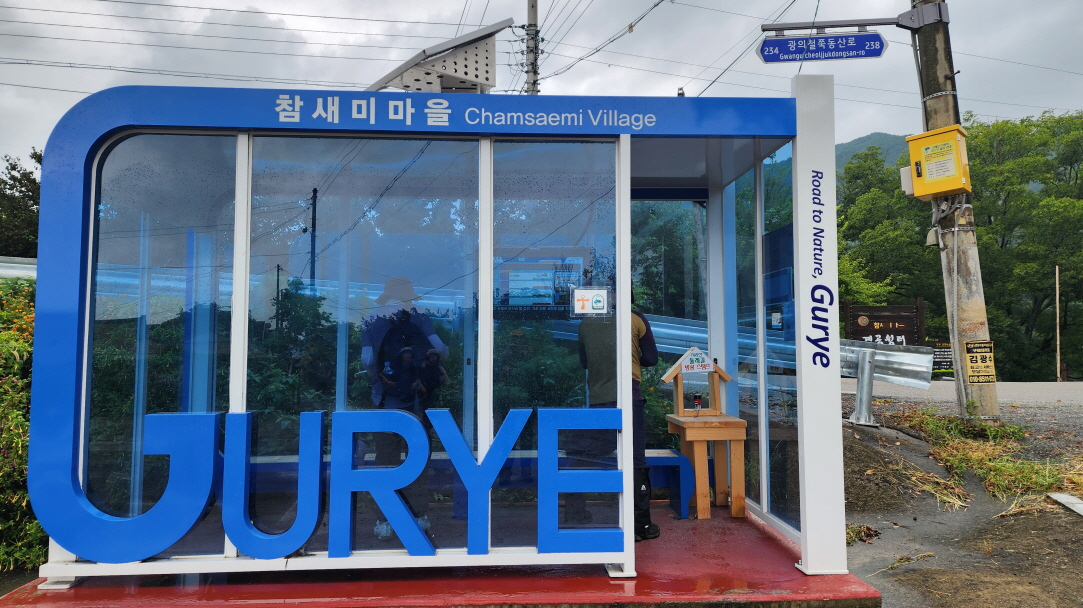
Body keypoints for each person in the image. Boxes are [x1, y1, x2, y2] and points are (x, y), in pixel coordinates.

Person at [360, 276, 449, 539]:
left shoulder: (372, 318)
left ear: (387, 296)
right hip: (416, 400)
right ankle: (419, 516)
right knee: (417, 456)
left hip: (384, 399)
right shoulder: (419, 316)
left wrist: (382, 372)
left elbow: (367, 360)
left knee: (385, 457)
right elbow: (440, 349)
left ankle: (384, 520)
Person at [573, 293, 660, 541]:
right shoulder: (635, 319)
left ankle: (576, 512)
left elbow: (584, 363)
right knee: (635, 458)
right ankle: (640, 526)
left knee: (587, 455)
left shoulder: (586, 323)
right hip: (629, 398)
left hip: (599, 399)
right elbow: (651, 359)